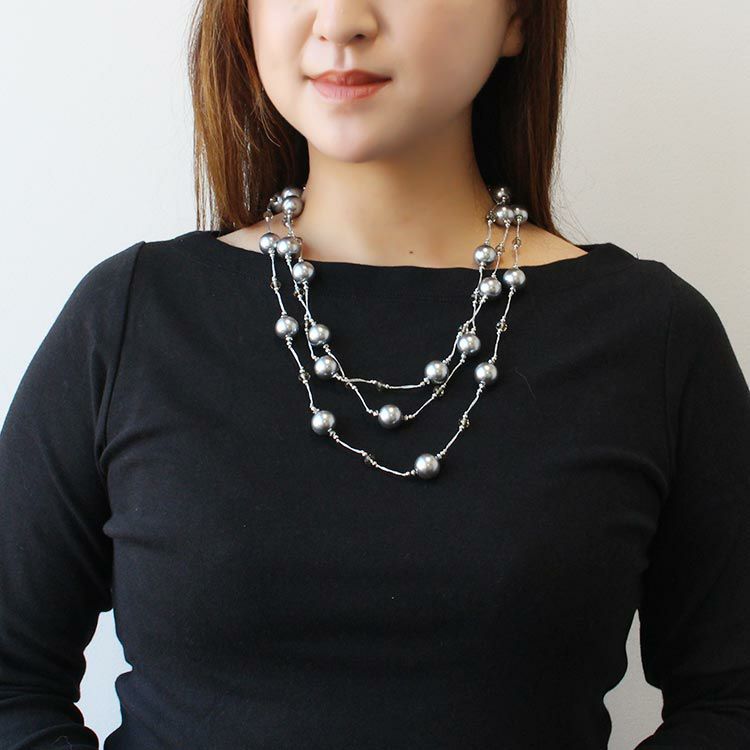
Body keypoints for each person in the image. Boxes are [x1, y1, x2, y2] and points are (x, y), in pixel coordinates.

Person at [1, 0, 748, 747]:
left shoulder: (653, 339)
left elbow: (732, 702)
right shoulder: (133, 318)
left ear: (516, 18)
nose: (339, 21)